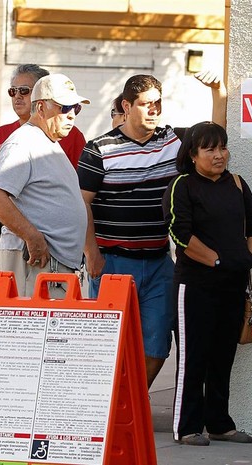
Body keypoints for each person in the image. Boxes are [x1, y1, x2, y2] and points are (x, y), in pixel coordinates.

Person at [79, 72, 227, 388]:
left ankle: (132, 398)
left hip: (160, 263)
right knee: (109, 343)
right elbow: (82, 205)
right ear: (126, 105)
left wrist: (219, 92)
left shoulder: (172, 141)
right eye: (146, 104)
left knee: (158, 340)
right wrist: (92, 255)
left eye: (158, 104)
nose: (154, 110)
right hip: (113, 262)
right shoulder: (99, 149)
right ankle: (109, 403)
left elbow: (214, 137)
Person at [163, 121, 252, 446]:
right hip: (196, 285)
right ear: (193, 154)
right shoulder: (183, 185)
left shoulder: (236, 182)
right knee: (194, 357)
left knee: (223, 356)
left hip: (233, 286)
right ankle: (187, 427)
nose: (219, 155)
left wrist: (248, 258)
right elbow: (181, 233)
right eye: (210, 149)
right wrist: (217, 261)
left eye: (223, 147)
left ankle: (219, 423)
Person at [0, 64, 86, 279]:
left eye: (76, 108)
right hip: (33, 260)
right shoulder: (23, 142)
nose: (72, 116)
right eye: (64, 108)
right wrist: (33, 238)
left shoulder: (48, 140)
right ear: (40, 107)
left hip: (52, 262)